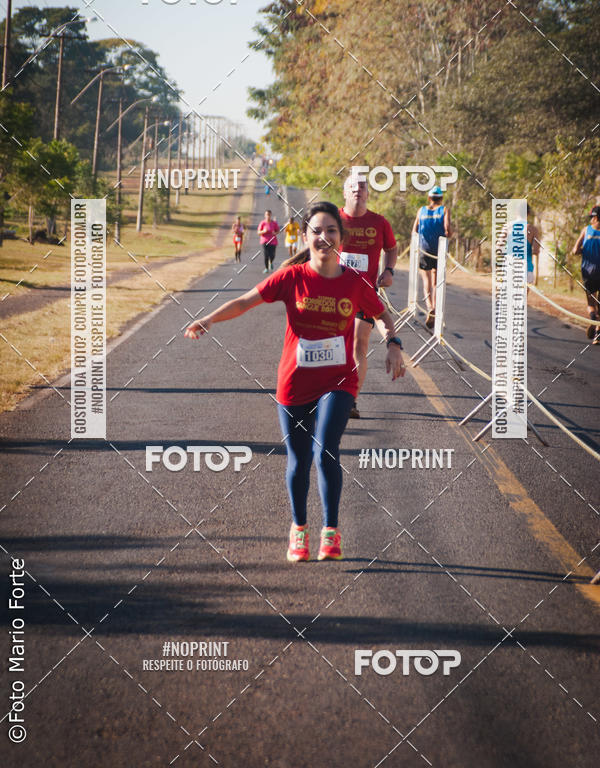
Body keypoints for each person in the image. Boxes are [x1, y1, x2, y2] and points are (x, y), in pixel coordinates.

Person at [185, 202, 405, 562]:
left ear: (341, 238)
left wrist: (394, 343)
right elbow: (245, 301)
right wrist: (209, 319)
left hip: (338, 380)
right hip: (294, 382)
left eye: (331, 231)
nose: (324, 237)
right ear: (305, 237)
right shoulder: (291, 278)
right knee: (298, 461)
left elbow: (382, 314)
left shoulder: (354, 281)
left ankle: (330, 532)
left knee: (326, 449)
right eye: (317, 231)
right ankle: (299, 529)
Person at [339, 173, 398, 419]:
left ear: (367, 193)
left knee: (359, 344)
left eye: (362, 187)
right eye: (352, 187)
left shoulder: (379, 222)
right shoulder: (335, 220)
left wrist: (388, 270)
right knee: (336, 346)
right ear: (345, 193)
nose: (357, 190)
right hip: (333, 292)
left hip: (365, 293)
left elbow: (391, 247)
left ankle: (351, 399)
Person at [412, 185, 453, 329]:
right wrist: (448, 234)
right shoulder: (444, 210)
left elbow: (415, 230)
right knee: (436, 282)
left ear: (429, 198)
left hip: (424, 250)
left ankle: (430, 307)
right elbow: (448, 230)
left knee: (426, 280)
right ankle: (435, 307)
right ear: (441, 199)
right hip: (438, 251)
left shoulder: (421, 210)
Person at [573, 205, 600, 344]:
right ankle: (598, 334)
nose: (590, 220)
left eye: (591, 217)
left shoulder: (586, 230)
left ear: (595, 217)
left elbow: (575, 250)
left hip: (588, 273)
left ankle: (592, 317)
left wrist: (584, 251)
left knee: (591, 303)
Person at [257, 209, 280, 273]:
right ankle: (266, 268)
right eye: (267, 215)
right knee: (266, 254)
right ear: (265, 215)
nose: (268, 216)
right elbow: (258, 232)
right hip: (265, 241)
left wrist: (275, 233)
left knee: (272, 254)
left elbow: (278, 230)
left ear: (271, 215)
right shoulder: (262, 223)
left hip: (273, 241)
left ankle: (271, 262)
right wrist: (263, 231)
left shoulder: (274, 223)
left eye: (269, 215)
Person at [526, 205, 540, 290]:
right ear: (528, 213)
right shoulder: (533, 229)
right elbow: (535, 251)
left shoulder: (507, 227)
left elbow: (499, 246)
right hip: (526, 268)